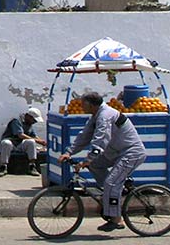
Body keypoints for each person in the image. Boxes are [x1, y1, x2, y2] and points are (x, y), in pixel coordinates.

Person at [58, 91, 147, 232]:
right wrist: (68, 152)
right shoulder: (95, 115)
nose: (81, 106)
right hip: (116, 153)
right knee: (96, 167)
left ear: (91, 105)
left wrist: (87, 160)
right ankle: (110, 194)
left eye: (83, 104)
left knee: (111, 182)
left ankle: (117, 220)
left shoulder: (105, 116)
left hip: (131, 153)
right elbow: (84, 136)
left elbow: (100, 140)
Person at [0, 107, 45, 176]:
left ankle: (32, 166)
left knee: (31, 142)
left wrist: (43, 142)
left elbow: (34, 136)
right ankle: (3, 166)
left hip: (20, 144)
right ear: (28, 116)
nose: (34, 122)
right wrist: (38, 141)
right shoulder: (16, 121)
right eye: (34, 120)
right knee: (6, 143)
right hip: (11, 143)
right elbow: (20, 135)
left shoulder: (29, 124)